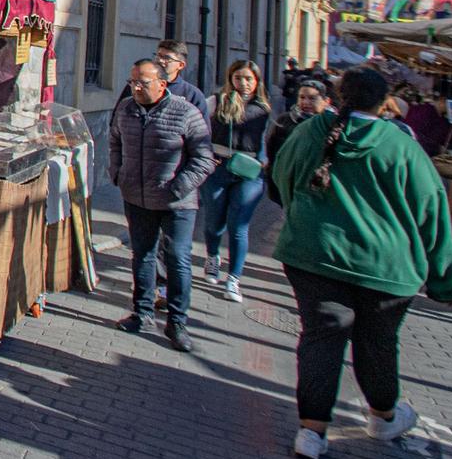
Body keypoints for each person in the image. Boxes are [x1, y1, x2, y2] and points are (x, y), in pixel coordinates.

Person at [268, 67, 452, 459]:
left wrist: (305, 219)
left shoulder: (310, 132)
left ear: (339, 95)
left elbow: (281, 178)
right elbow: (432, 210)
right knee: (377, 344)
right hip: (384, 266)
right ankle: (383, 414)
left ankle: (312, 431)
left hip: (315, 255)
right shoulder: (399, 144)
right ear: (384, 102)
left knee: (320, 339)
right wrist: (444, 279)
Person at [108, 57, 214, 352]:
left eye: (143, 82)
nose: (137, 87)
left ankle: (177, 322)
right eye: (133, 82)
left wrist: (179, 186)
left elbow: (204, 159)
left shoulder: (186, 112)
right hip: (137, 197)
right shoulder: (126, 110)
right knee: (143, 256)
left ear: (162, 83)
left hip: (177, 203)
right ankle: (142, 312)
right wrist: (117, 172)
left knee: (178, 258)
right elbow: (114, 141)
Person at [202, 60, 272, 303]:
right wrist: (206, 158)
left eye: (249, 79)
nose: (243, 84)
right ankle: (212, 256)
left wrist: (263, 160)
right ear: (230, 78)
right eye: (238, 78)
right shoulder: (215, 102)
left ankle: (234, 279)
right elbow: (200, 133)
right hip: (218, 168)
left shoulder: (263, 107)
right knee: (214, 221)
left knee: (238, 226)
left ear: (256, 81)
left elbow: (262, 139)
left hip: (248, 172)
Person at [268, 78, 330, 167]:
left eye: (312, 98)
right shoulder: (285, 120)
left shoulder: (330, 124)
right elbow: (272, 150)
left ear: (326, 101)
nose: (305, 102)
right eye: (302, 97)